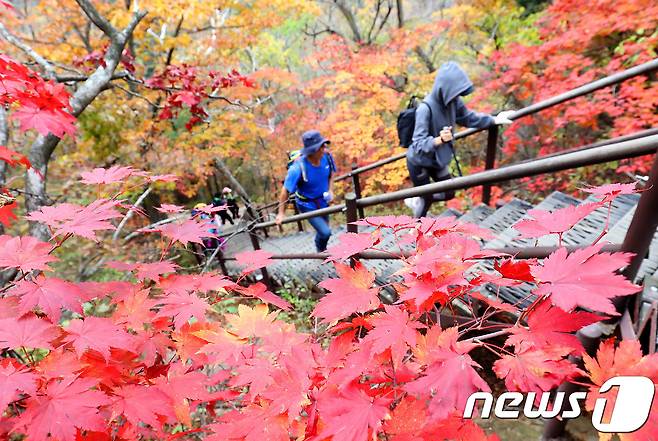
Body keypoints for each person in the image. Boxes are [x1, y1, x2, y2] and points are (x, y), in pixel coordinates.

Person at [405, 62, 515, 217]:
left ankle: (418, 199)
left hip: (437, 159)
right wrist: (440, 140)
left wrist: (494, 120)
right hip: (419, 162)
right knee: (426, 199)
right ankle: (416, 233)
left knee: (449, 192)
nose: (457, 96)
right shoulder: (425, 109)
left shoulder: (452, 102)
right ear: (445, 88)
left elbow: (468, 118)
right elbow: (418, 144)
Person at [275, 130, 336, 252]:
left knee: (325, 229)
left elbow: (330, 175)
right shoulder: (297, 168)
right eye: (321, 147)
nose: (324, 149)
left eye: (324, 145)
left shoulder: (327, 157)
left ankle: (321, 248)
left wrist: (330, 190)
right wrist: (281, 213)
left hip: (323, 201)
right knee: (326, 232)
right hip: (307, 205)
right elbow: (285, 191)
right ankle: (321, 251)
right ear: (312, 150)